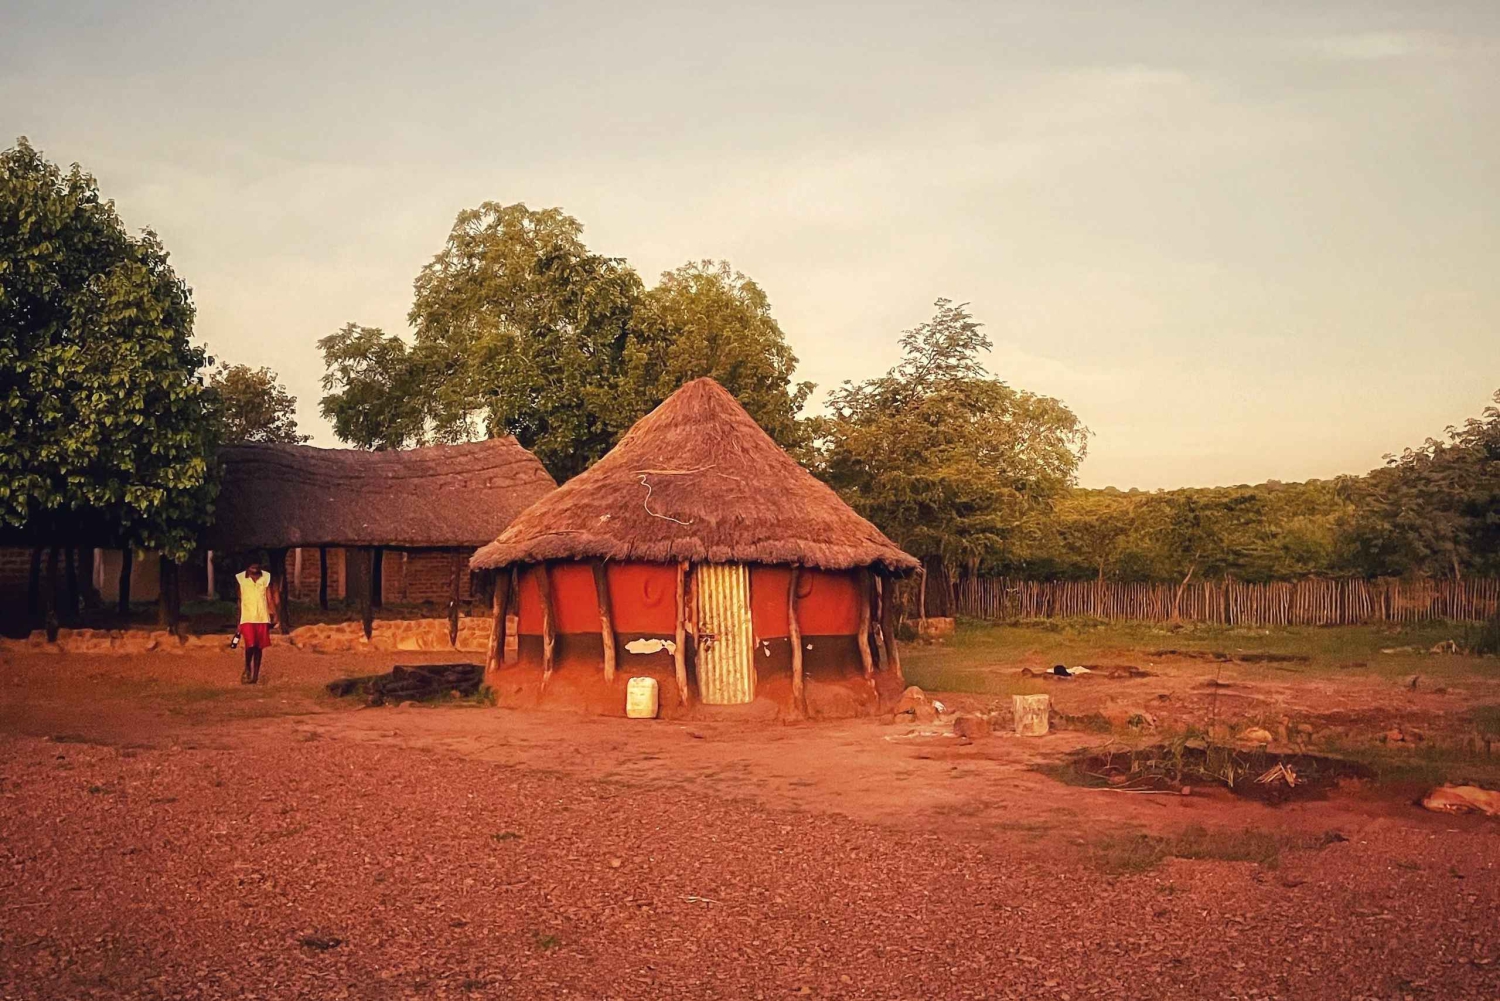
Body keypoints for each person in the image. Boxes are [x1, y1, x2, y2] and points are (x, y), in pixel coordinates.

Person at [235, 554, 279, 684]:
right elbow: (240, 601)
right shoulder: (240, 578)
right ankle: (247, 666)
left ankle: (255, 676)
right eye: (252, 566)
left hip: (262, 617)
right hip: (247, 617)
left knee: (259, 647)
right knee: (250, 644)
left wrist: (275, 614)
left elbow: (269, 597)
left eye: (257, 566)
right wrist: (238, 621)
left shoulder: (266, 577)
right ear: (247, 567)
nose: (255, 569)